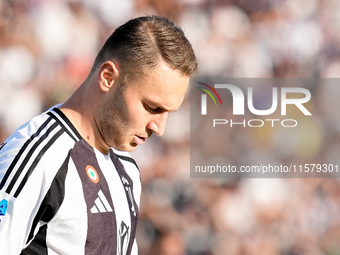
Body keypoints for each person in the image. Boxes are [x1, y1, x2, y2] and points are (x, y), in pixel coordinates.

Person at [0, 15, 198, 254]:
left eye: (169, 112)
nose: (159, 127)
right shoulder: (38, 155)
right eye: (152, 108)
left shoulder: (126, 168)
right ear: (108, 77)